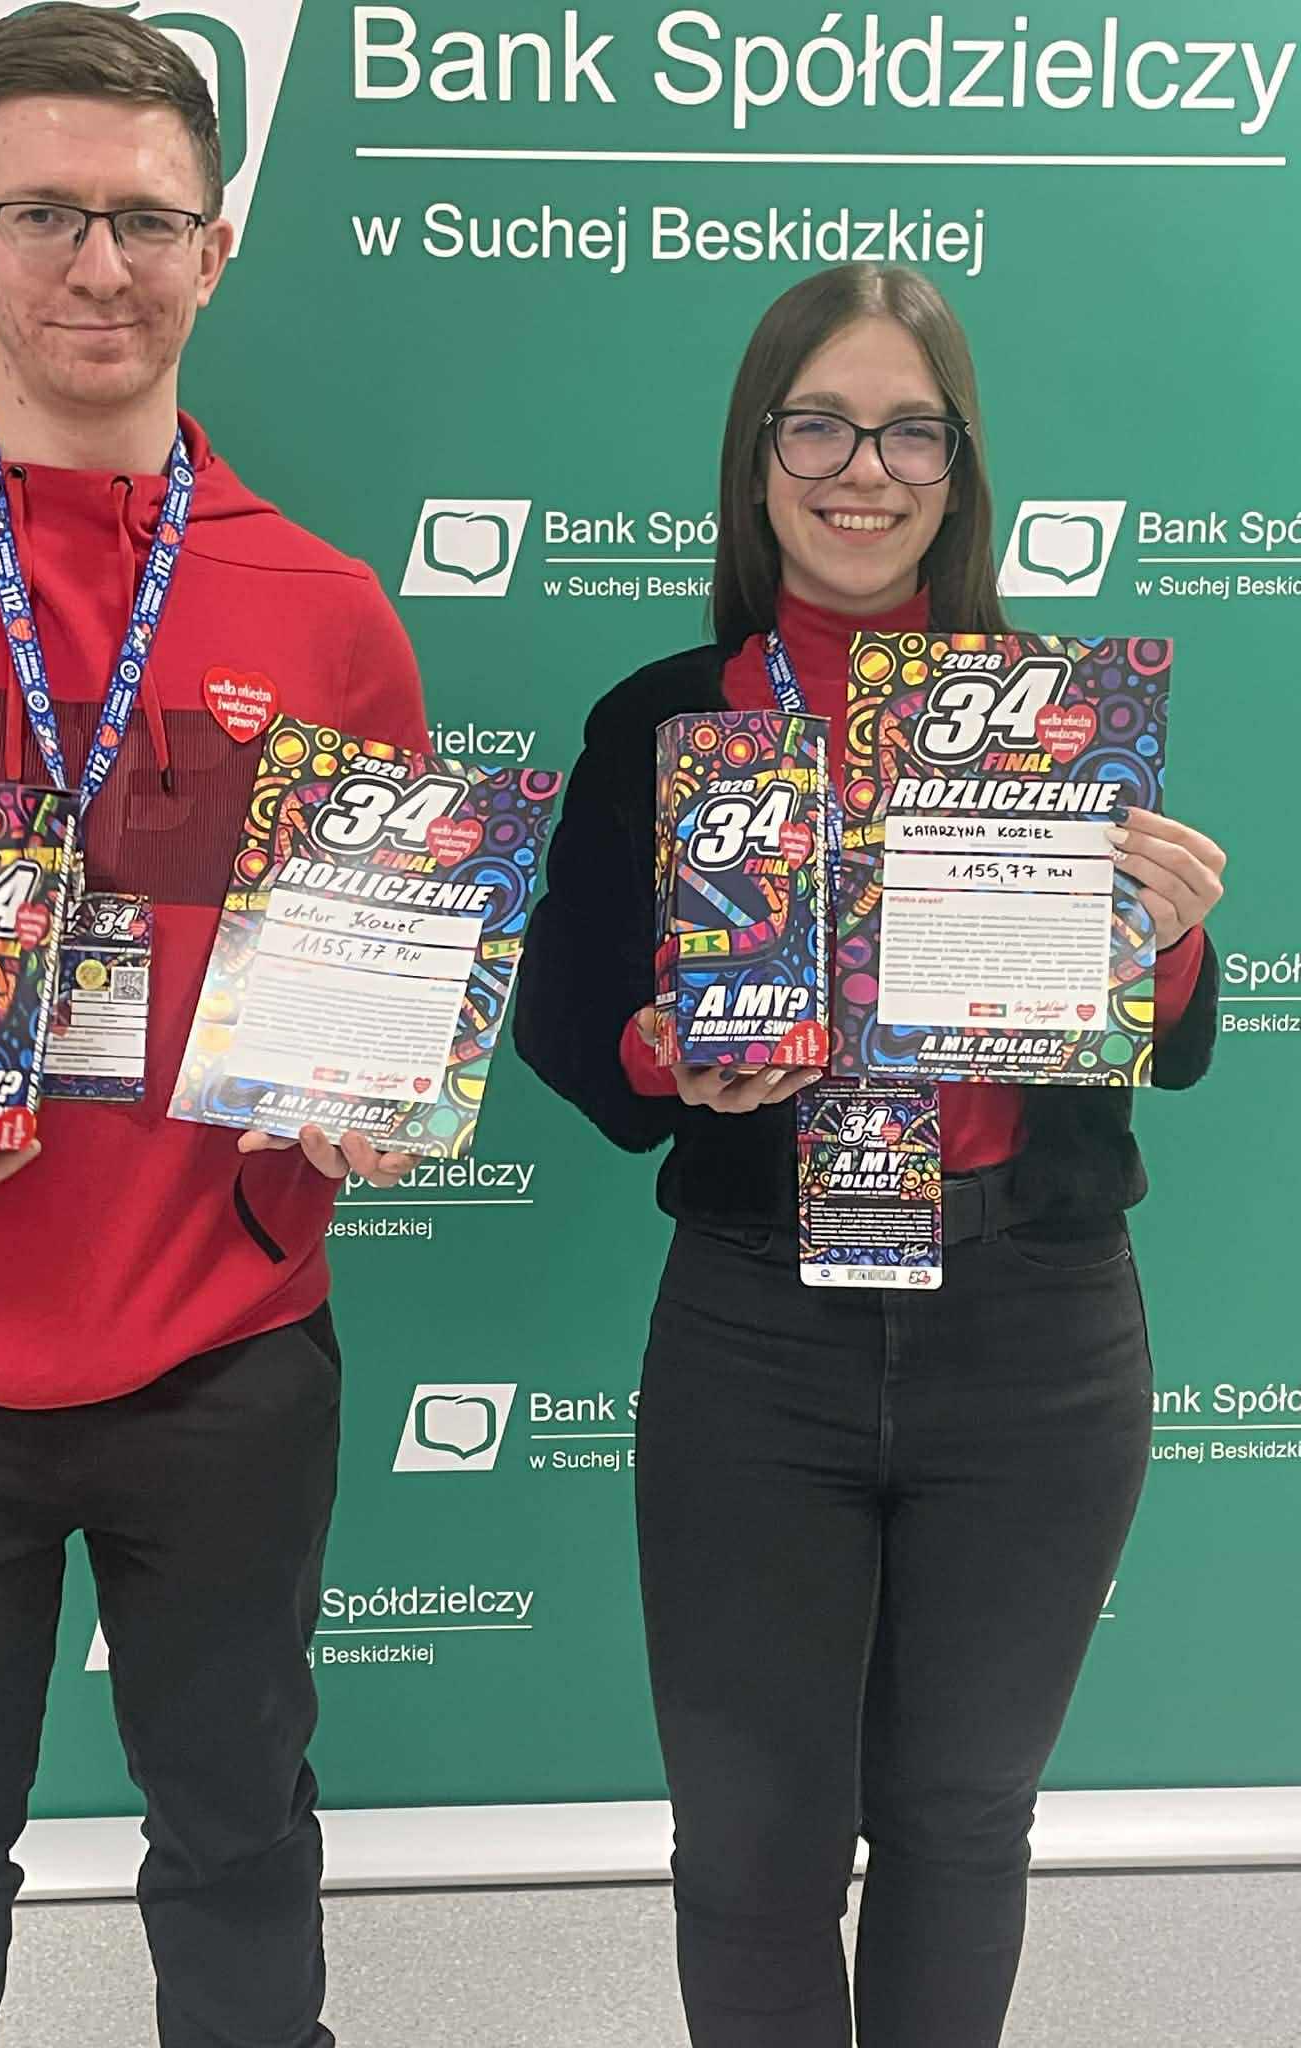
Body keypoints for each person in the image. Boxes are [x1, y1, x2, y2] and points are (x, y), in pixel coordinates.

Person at [0, 8, 425, 2045]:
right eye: (44, 211)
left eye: (145, 219)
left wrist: (376, 1097)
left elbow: (382, 967)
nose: (98, 264)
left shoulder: (327, 609)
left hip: (224, 1353)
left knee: (241, 1849)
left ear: (216, 248)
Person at [514, 263, 1224, 2048]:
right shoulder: (663, 714)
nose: (864, 469)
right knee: (750, 1850)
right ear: (757, 456)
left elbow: (1164, 1048)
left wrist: (1170, 940)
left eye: (913, 432)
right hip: (762, 1331)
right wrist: (666, 1054)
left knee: (964, 1825)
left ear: (959, 468)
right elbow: (571, 1023)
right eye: (820, 425)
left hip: (1036, 1328)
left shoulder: (1056, 711)